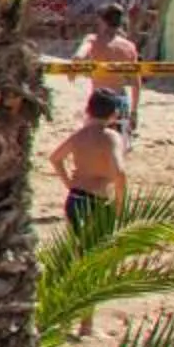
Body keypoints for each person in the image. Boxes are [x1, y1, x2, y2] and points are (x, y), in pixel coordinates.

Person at [50, 87, 132, 239]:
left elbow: (55, 158)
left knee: (77, 251)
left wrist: (68, 183)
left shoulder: (79, 135)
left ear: (88, 110)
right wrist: (121, 204)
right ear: (114, 114)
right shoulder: (111, 138)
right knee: (98, 251)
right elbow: (120, 172)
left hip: (75, 199)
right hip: (98, 200)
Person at [74, 3, 142, 128]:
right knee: (119, 143)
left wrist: (73, 71)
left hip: (99, 102)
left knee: (94, 141)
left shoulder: (93, 40)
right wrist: (134, 112)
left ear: (102, 21)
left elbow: (79, 56)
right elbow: (136, 83)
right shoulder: (129, 47)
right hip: (120, 102)